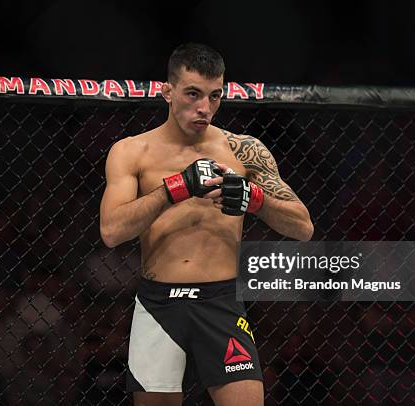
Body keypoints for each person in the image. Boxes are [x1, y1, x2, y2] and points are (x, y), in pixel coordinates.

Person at [100, 43, 313, 406]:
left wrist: (254, 199)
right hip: (159, 304)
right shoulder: (132, 151)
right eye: (193, 94)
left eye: (215, 96)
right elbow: (111, 232)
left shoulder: (244, 149)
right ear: (167, 92)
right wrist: (174, 189)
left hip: (221, 302)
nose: (205, 108)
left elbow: (303, 227)